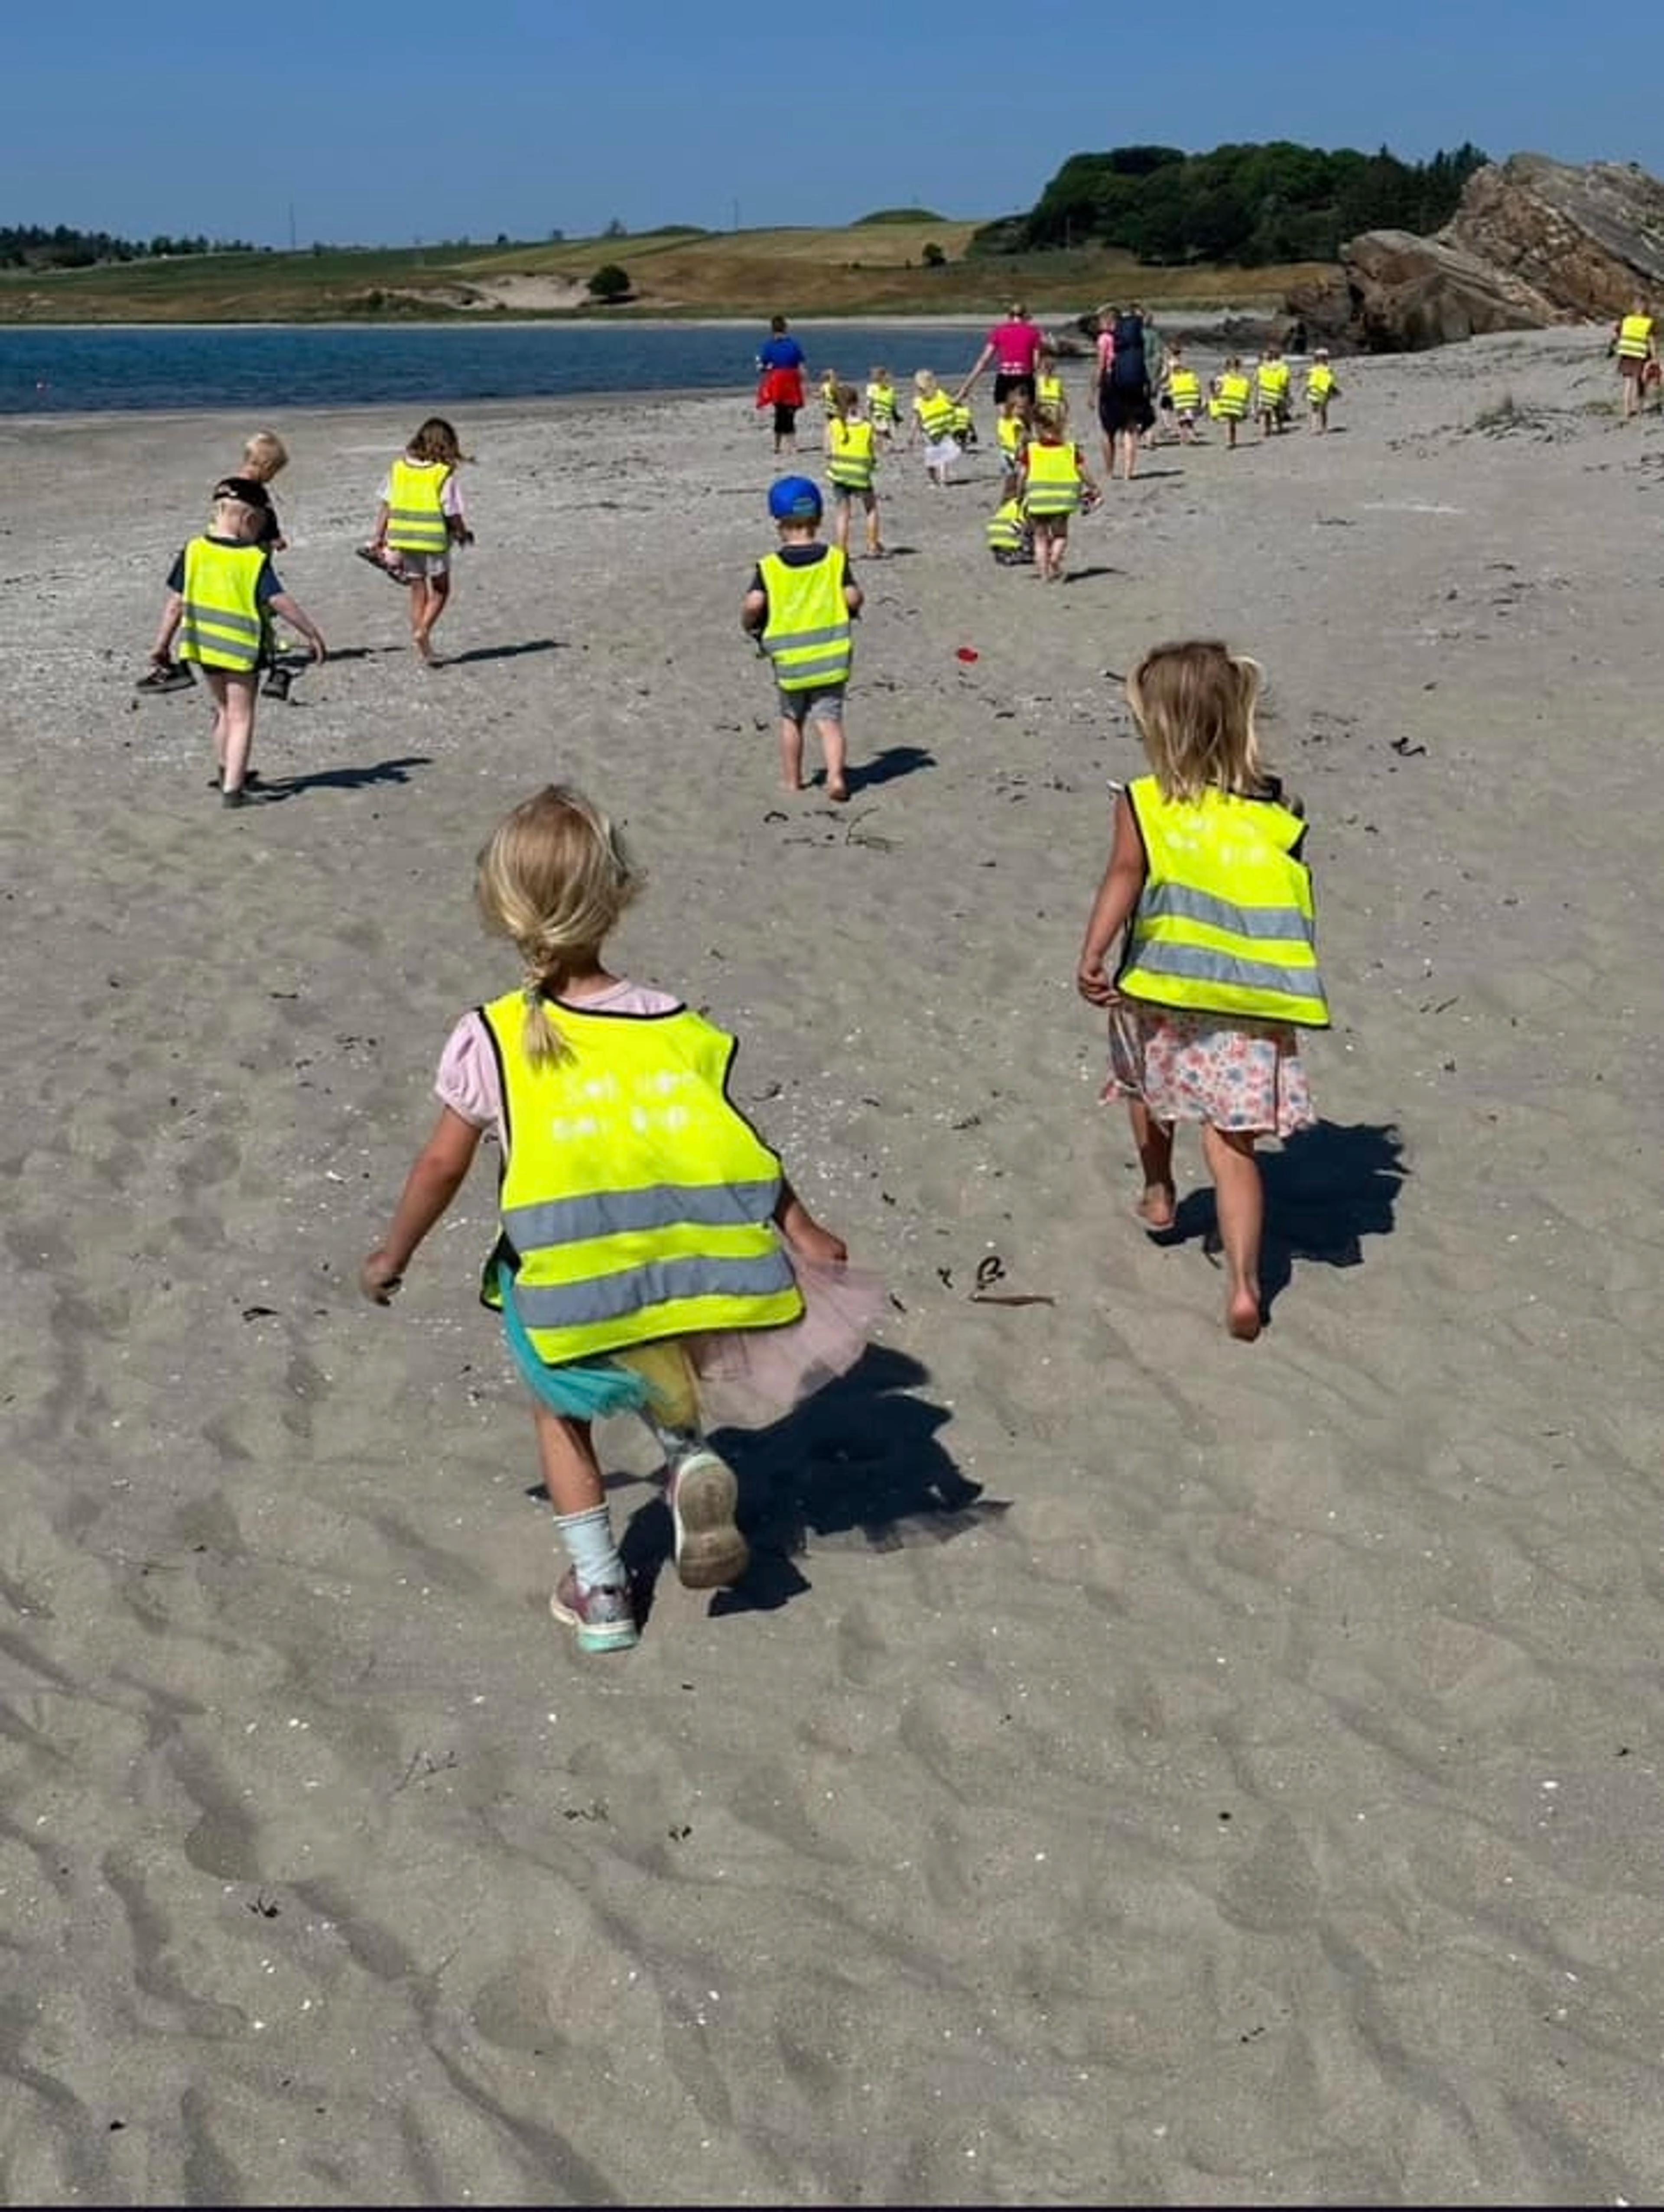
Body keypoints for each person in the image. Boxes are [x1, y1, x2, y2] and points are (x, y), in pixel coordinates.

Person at [360, 785, 875, 1653]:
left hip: (562, 1272)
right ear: (620, 893)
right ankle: (687, 1460)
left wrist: (393, 1255)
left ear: (500, 905)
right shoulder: (671, 1024)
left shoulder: (491, 1035)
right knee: (657, 1365)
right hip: (672, 1262)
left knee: (563, 1415)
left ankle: (601, 1591)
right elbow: (732, 1143)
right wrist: (800, 1225)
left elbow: (442, 1165)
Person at [1075, 641, 1328, 1342]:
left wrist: (1093, 953)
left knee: (1149, 1092)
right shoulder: (1279, 810)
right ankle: (1245, 1284)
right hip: (1249, 996)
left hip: (1161, 982)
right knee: (1234, 1145)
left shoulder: (1146, 802)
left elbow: (1124, 877)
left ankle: (1159, 1193)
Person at [144, 479, 326, 805]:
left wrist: (161, 646)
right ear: (250, 519)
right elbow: (279, 601)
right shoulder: (252, 559)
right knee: (241, 716)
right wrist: (311, 633)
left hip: (204, 648)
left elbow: (176, 603)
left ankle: (227, 770)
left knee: (224, 710)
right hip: (241, 650)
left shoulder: (194, 550)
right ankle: (234, 791)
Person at [742, 475, 864, 801]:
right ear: (820, 519)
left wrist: (749, 624)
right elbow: (852, 598)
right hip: (831, 656)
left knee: (791, 720)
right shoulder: (835, 560)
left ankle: (793, 780)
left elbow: (754, 604)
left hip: (791, 663)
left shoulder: (770, 567)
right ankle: (836, 778)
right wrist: (850, 607)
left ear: (778, 522)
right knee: (830, 722)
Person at [361, 417, 474, 668]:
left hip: (402, 537)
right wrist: (463, 533)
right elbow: (451, 511)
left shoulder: (398, 468)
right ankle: (423, 630)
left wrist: (378, 538)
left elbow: (387, 506)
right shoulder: (443, 474)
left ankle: (425, 650)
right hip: (433, 538)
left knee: (417, 591)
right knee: (442, 590)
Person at [1018, 402, 1101, 582]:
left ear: (1036, 427)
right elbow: (1083, 471)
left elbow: (1022, 475)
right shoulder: (1070, 449)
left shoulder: (1031, 450)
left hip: (1038, 500)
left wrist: (1019, 494)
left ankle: (1044, 574)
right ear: (1062, 425)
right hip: (1063, 500)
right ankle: (1055, 560)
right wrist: (1094, 488)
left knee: (1040, 538)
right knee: (1060, 535)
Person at [1095, 304, 1155, 481]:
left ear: (1108, 321)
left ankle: (1110, 471)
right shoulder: (1134, 338)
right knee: (1130, 429)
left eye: (1100, 320)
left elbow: (1101, 366)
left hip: (1111, 386)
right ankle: (1128, 472)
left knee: (1108, 432)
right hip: (1133, 385)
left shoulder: (1105, 339)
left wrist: (1094, 390)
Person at [825, 383, 884, 558]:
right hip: (860, 474)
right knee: (871, 508)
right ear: (856, 403)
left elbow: (827, 452)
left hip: (840, 474)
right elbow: (874, 449)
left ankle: (842, 550)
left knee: (843, 514)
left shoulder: (833, 425)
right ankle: (872, 545)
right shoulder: (866, 426)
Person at [956, 301, 1047, 408]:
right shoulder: (1034, 333)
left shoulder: (999, 331)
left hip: (1005, 378)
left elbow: (984, 360)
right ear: (1025, 316)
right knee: (1026, 418)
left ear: (1009, 316)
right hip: (1025, 378)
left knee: (1005, 419)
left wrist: (965, 388)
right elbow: (1036, 364)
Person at [756, 315, 807, 456]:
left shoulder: (769, 345)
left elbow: (763, 367)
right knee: (789, 413)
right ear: (785, 327)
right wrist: (803, 381)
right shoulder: (793, 344)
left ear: (772, 329)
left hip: (778, 380)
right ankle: (792, 445)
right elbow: (801, 365)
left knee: (780, 412)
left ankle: (778, 445)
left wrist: (762, 368)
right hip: (790, 379)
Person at [908, 370, 961, 486]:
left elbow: (916, 420)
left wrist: (912, 436)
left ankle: (934, 481)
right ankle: (943, 480)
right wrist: (961, 396)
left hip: (930, 433)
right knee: (943, 457)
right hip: (944, 428)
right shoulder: (940, 394)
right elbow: (953, 402)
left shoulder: (918, 401)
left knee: (931, 458)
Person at [1613, 298, 1656, 422]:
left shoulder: (1627, 320)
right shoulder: (1648, 322)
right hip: (1641, 355)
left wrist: (1614, 346)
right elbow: (1651, 342)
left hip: (1626, 354)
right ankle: (1640, 409)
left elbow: (1617, 334)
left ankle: (1627, 411)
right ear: (1646, 308)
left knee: (1628, 383)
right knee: (1642, 382)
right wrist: (1654, 358)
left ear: (1634, 308)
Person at [1161, 348, 1203, 444]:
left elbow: (1167, 382)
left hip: (1178, 399)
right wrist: (1199, 397)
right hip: (1190, 400)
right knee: (1188, 419)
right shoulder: (1190, 373)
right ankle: (1190, 436)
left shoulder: (1172, 370)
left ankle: (1182, 436)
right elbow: (1197, 385)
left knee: (1181, 419)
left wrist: (1161, 385)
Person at [1209, 357, 1252, 450]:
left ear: (1227, 367)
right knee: (1232, 424)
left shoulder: (1223, 378)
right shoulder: (1243, 379)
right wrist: (1246, 403)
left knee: (1229, 424)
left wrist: (1214, 395)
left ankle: (1230, 441)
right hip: (1237, 405)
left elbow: (1218, 390)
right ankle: (1232, 440)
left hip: (1226, 403)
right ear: (1239, 366)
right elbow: (1247, 392)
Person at [985, 494, 1034, 566]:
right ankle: (1011, 552)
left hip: (996, 536)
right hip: (1005, 534)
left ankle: (1004, 553)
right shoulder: (1025, 507)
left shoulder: (1019, 502)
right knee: (1030, 537)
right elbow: (1019, 526)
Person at [1256, 346, 1292, 437]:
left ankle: (1267, 430)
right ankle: (1279, 427)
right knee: (1277, 411)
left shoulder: (1262, 367)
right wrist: (1286, 389)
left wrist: (1259, 387)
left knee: (1267, 412)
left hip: (1265, 391)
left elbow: (1258, 379)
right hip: (1277, 391)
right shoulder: (1283, 367)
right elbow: (1284, 380)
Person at [1306, 349, 1341, 433]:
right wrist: (1335, 390)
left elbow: (1309, 381)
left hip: (1315, 391)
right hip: (1322, 391)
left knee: (1316, 410)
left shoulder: (1313, 370)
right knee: (1322, 410)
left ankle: (1316, 428)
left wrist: (1307, 390)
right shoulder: (1327, 369)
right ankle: (1322, 428)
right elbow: (1331, 381)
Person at [866, 366, 900, 444]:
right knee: (881, 432)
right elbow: (870, 403)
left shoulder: (873, 388)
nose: (872, 377)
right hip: (880, 414)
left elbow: (870, 402)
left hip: (882, 414)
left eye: (873, 375)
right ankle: (886, 444)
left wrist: (896, 417)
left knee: (882, 431)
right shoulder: (889, 389)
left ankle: (886, 444)